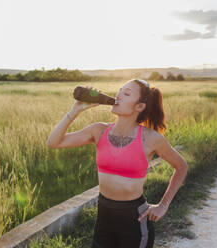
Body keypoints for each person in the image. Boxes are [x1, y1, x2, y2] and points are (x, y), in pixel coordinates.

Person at [46, 79, 188, 248]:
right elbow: (53, 142)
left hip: (134, 217)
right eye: (120, 90)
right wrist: (75, 110)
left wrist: (163, 205)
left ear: (139, 107)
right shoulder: (99, 130)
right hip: (104, 213)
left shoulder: (150, 138)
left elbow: (181, 166)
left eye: (126, 93)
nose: (118, 95)